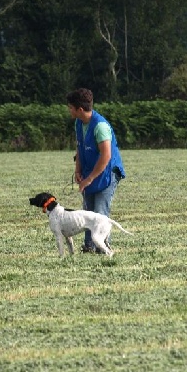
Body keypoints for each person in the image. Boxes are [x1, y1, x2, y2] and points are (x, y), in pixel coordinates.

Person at [66, 88, 126, 253]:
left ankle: (103, 247)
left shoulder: (100, 126)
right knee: (87, 210)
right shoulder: (79, 123)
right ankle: (90, 246)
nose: (68, 110)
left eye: (70, 107)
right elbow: (80, 148)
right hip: (90, 169)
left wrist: (89, 179)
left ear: (80, 109)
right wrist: (78, 170)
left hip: (107, 172)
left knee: (99, 211)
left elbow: (106, 156)